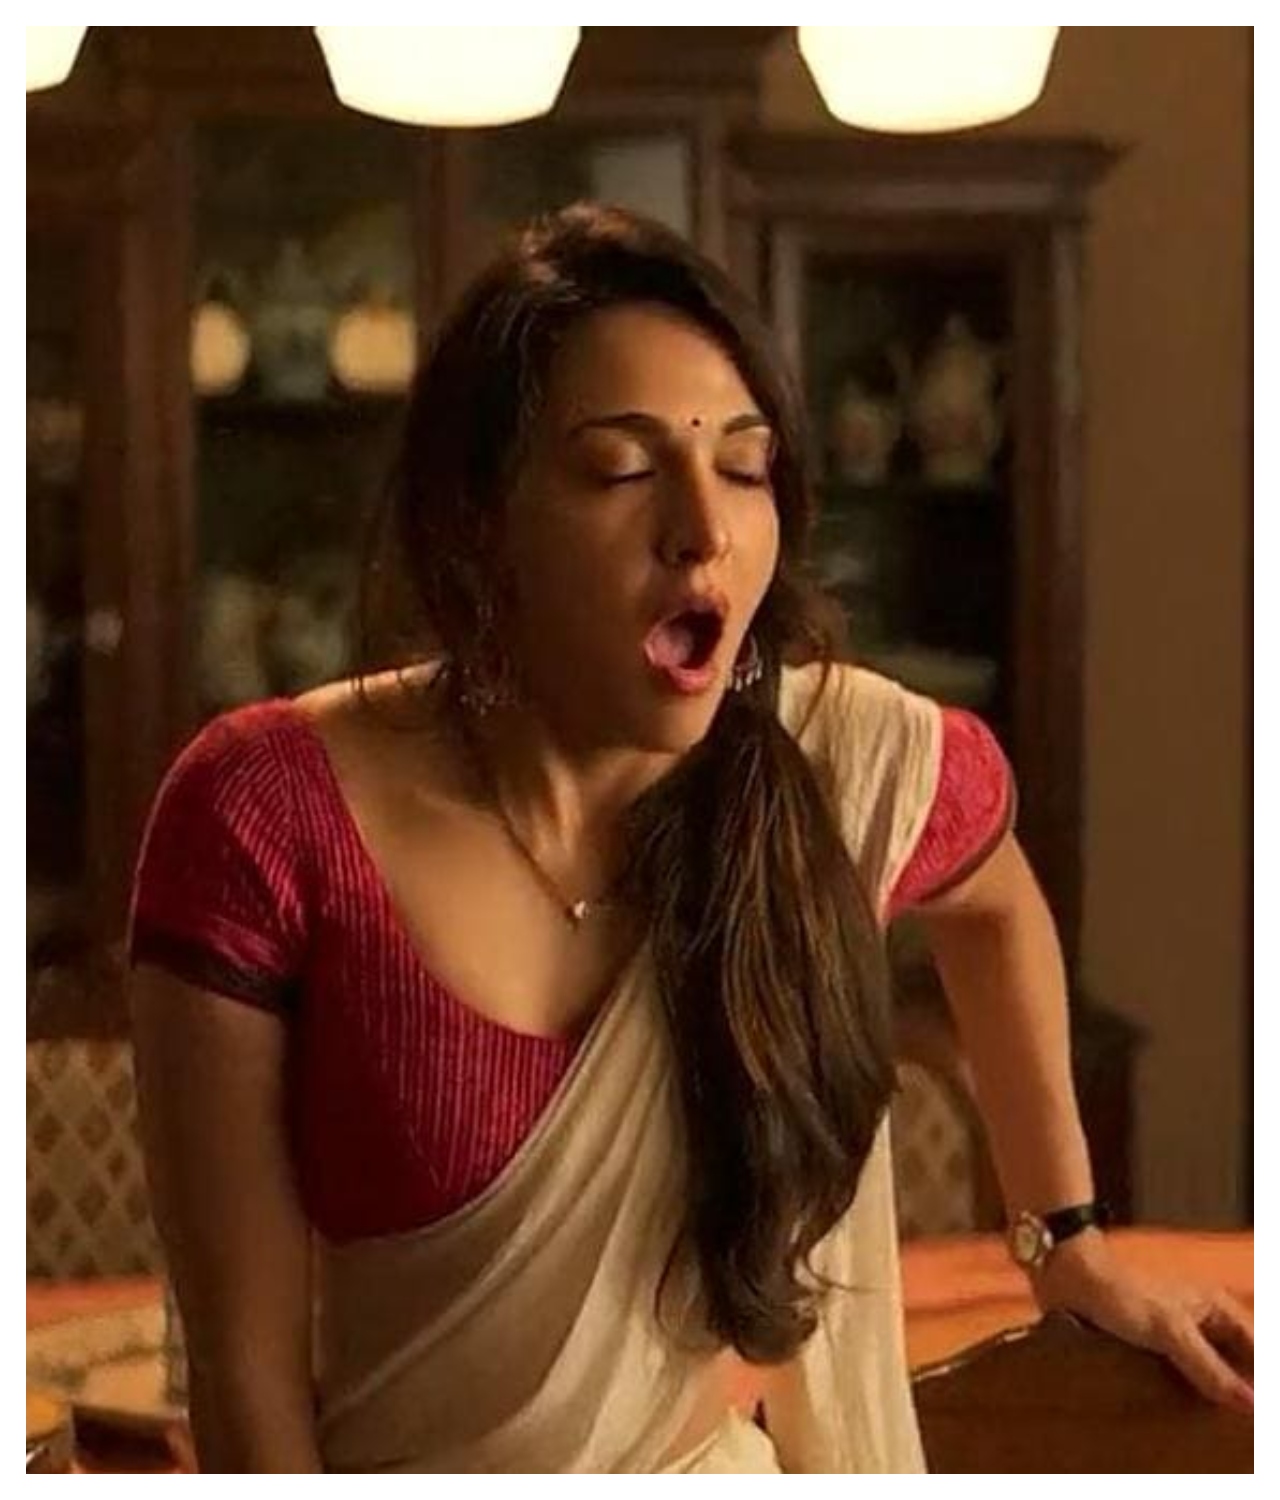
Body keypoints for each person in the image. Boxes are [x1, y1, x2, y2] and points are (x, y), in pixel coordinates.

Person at [129, 203, 1253, 1474]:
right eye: (622, 469)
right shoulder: (264, 810)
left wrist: (1065, 1238)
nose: (703, 527)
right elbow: (243, 1371)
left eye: (744, 466)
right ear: (478, 516)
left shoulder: (831, 764)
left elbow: (995, 903)